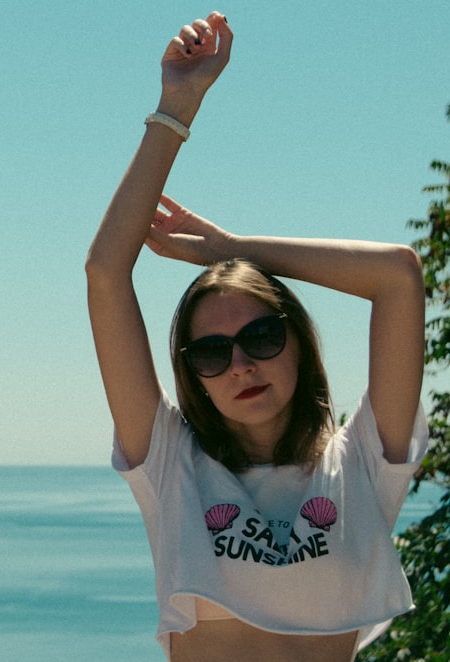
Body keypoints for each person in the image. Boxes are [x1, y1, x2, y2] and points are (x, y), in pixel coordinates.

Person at [84, 12, 428, 662]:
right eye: (212, 353)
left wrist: (230, 248)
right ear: (193, 374)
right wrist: (175, 107)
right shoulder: (172, 468)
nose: (240, 364)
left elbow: (398, 277)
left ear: (297, 339)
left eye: (262, 335)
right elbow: (105, 273)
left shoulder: (360, 466)